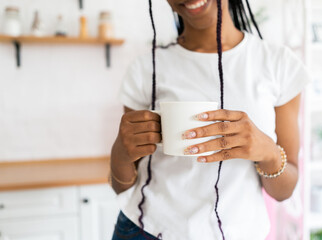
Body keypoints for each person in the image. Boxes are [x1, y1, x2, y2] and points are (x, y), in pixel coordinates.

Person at [110, 0, 311, 239]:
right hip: (146, 229)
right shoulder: (145, 69)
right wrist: (121, 153)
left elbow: (283, 191)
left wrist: (268, 152)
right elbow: (120, 185)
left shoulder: (279, 64)